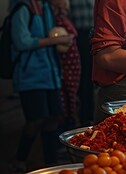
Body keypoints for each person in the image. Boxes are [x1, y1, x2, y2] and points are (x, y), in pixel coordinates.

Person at [11, 0, 74, 173]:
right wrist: (55, 40)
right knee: (36, 120)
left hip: (50, 75)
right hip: (30, 76)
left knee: (54, 117)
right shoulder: (22, 8)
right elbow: (21, 42)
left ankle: (51, 163)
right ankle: (19, 160)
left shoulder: (45, 7)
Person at [52, 0, 81, 130]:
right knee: (65, 96)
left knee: (72, 95)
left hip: (72, 64)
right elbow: (60, 45)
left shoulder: (64, 18)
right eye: (61, 4)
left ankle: (70, 124)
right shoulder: (56, 20)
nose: (64, 6)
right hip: (66, 64)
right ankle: (64, 129)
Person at [68, 0, 95, 126]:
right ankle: (81, 116)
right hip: (77, 36)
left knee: (90, 77)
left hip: (92, 34)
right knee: (82, 77)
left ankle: (88, 115)